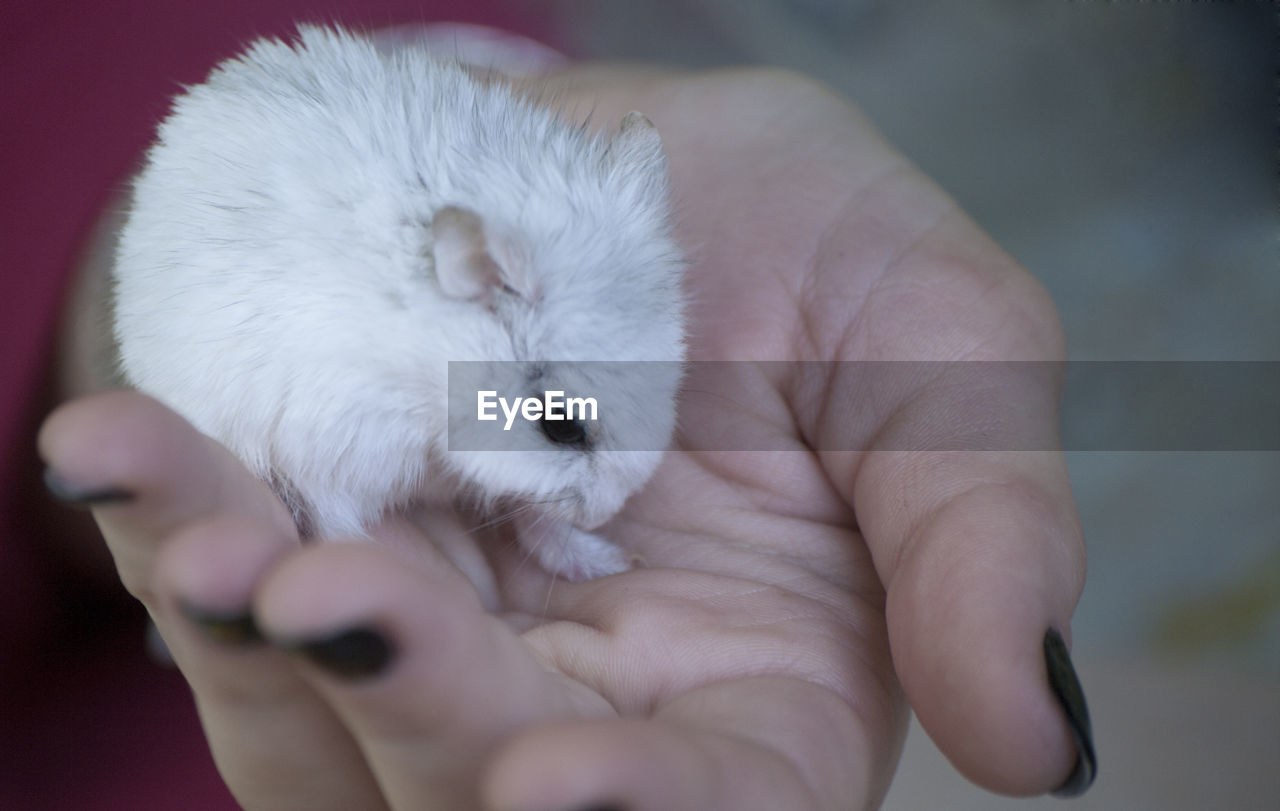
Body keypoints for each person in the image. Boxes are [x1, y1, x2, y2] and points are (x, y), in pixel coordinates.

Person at [12, 5, 1094, 810]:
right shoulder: (399, 331)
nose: (617, 480)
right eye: (575, 425)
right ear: (472, 280)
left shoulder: (542, 265)